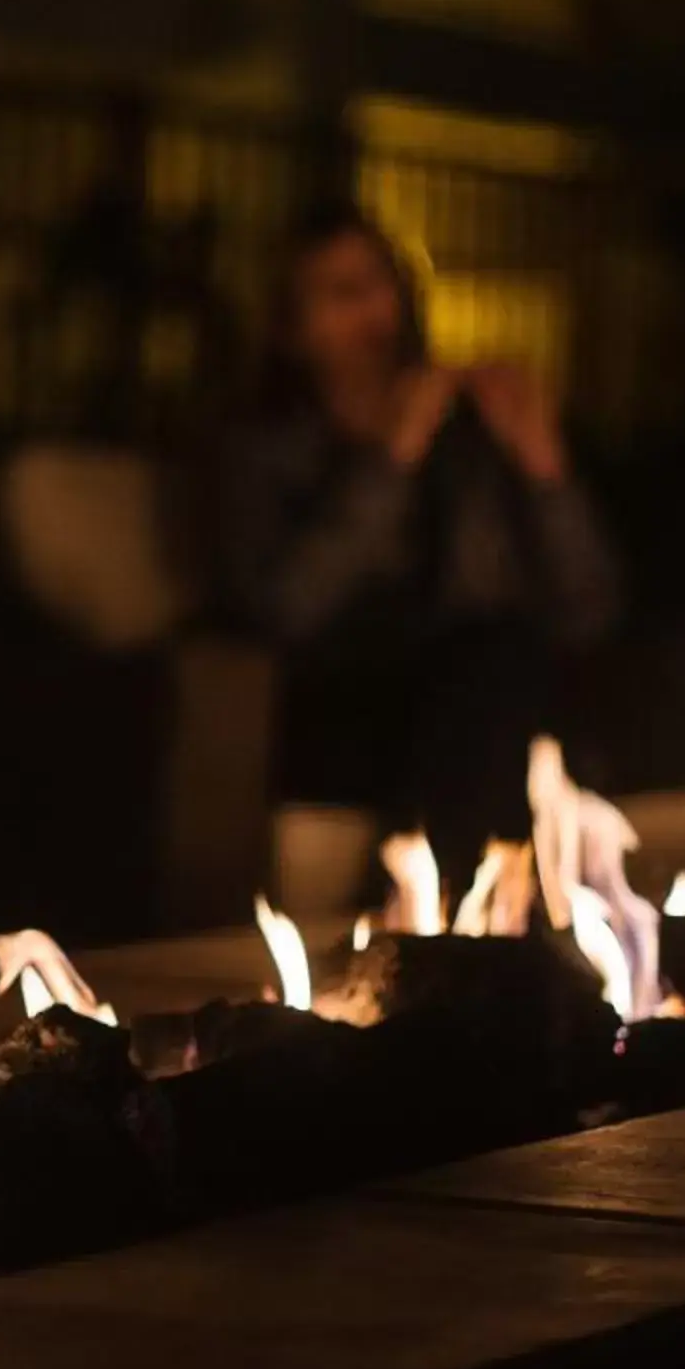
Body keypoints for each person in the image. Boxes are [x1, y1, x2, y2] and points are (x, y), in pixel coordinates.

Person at [216, 205, 620, 881]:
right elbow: (287, 609)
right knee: (493, 678)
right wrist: (390, 461)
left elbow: (591, 607)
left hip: (481, 688)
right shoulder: (261, 449)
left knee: (509, 666)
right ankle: (448, 928)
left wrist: (545, 467)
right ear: (291, 329)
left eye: (377, 284)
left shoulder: (466, 436)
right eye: (338, 294)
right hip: (347, 692)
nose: (370, 312)